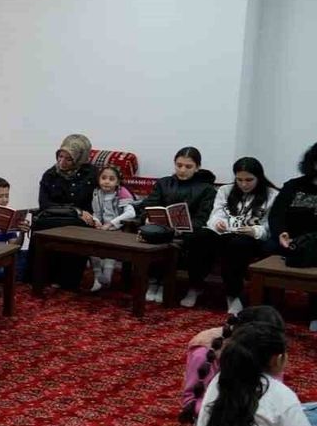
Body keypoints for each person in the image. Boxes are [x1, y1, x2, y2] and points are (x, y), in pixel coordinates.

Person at [123, 147, 218, 307]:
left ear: (197, 167)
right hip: (161, 228)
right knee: (150, 234)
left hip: (189, 233)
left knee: (200, 240)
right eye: (179, 165)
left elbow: (204, 217)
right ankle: (155, 282)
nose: (182, 170)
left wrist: (185, 226)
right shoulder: (164, 183)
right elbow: (150, 204)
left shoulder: (206, 189)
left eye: (188, 166)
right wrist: (148, 217)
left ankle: (193, 288)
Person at [180, 306, 284, 424]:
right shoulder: (205, 353)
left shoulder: (269, 347)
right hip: (219, 414)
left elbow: (275, 387)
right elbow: (191, 400)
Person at [206, 158, 279, 315]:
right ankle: (231, 293)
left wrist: (255, 231)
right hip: (227, 234)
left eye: (249, 180)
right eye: (239, 180)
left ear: (259, 177)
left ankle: (238, 296)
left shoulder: (272, 195)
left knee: (237, 245)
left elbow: (271, 226)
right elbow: (215, 215)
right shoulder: (225, 190)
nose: (244, 184)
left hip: (254, 239)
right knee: (207, 238)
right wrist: (218, 223)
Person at [33, 134, 97, 290]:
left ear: (79, 159)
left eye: (68, 159)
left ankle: (67, 280)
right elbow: (44, 204)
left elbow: (101, 197)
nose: (62, 162)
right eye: (60, 157)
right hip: (54, 215)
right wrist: (75, 210)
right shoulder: (50, 174)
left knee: (78, 228)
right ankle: (40, 276)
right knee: (40, 225)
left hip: (81, 220)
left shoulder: (91, 173)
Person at [268, 142, 317, 331]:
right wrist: (281, 233)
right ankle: (268, 308)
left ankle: (315, 313)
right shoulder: (294, 186)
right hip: (289, 239)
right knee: (267, 248)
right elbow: (276, 215)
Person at [88, 165, 136, 292]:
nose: (107, 181)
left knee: (111, 249)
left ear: (118, 182)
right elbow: (95, 212)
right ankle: (98, 277)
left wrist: (111, 224)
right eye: (103, 178)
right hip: (101, 229)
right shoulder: (97, 193)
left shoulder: (121, 192)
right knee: (91, 247)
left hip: (117, 229)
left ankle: (107, 276)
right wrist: (96, 221)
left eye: (111, 179)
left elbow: (131, 213)